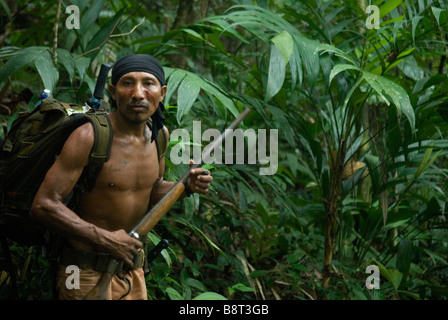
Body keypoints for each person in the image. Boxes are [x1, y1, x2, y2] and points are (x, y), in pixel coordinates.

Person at [30, 54, 213, 300]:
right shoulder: (89, 136)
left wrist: (185, 186)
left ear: (162, 92)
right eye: (128, 83)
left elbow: (151, 189)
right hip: (82, 271)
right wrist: (105, 239)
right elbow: (43, 205)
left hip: (131, 271)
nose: (138, 93)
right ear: (113, 92)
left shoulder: (158, 135)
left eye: (148, 83)